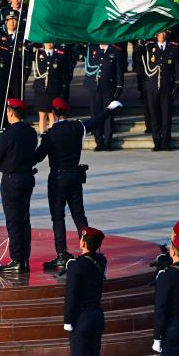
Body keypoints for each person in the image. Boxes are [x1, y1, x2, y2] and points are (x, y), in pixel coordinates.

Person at [34, 97, 123, 269]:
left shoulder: (50, 134)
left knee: (58, 218)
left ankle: (61, 254)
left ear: (52, 113)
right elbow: (95, 122)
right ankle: (89, 251)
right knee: (79, 215)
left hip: (58, 178)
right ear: (67, 112)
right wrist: (109, 109)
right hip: (74, 175)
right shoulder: (77, 127)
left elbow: (38, 157)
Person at [0, 98, 38, 272]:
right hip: (27, 178)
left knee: (14, 221)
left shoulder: (6, 134)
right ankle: (24, 259)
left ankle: (17, 259)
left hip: (11, 180)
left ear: (10, 112)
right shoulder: (31, 132)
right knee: (25, 220)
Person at [63, 226, 107, 356]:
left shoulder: (76, 266)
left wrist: (68, 320)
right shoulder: (102, 260)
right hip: (97, 314)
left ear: (83, 242)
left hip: (81, 317)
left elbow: (71, 296)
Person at [141, 31, 179, 152]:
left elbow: (177, 66)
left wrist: (178, 83)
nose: (162, 35)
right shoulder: (149, 46)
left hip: (167, 86)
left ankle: (166, 142)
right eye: (159, 33)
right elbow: (137, 53)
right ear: (156, 35)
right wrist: (141, 41)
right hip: (152, 86)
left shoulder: (173, 47)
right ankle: (157, 141)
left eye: (164, 32)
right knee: (155, 115)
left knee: (166, 115)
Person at [82, 44, 124, 151]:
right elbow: (76, 48)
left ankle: (107, 142)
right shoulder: (91, 48)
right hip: (94, 88)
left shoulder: (115, 51)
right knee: (95, 115)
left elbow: (119, 71)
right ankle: (99, 141)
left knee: (108, 115)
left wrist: (119, 87)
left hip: (108, 88)